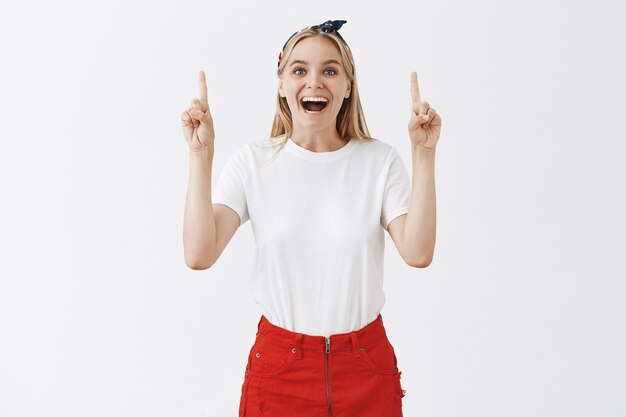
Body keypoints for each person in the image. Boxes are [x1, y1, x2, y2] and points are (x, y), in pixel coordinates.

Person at [181, 19, 441, 417]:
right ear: (282, 84)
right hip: (280, 369)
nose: (314, 82)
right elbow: (199, 254)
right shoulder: (254, 163)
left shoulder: (379, 161)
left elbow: (418, 252)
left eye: (330, 70)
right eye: (299, 70)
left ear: (348, 86)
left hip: (365, 367)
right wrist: (201, 157)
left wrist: (423, 155)